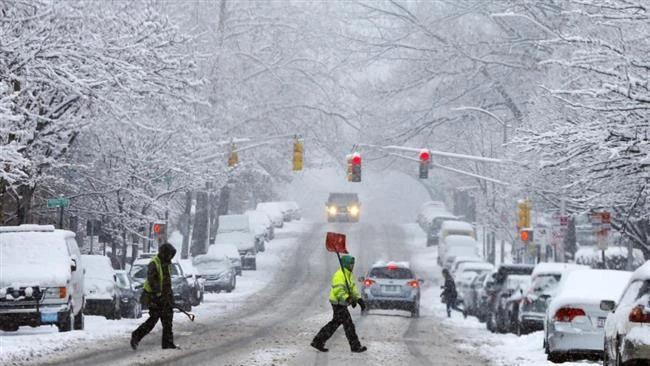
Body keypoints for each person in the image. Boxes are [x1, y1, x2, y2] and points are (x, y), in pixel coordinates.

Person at [311, 254, 367, 353]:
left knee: (335, 323)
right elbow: (338, 290)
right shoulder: (339, 275)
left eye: (353, 264)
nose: (352, 266)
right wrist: (348, 298)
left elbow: (353, 288)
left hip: (342, 303)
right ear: (345, 264)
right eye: (350, 264)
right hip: (337, 302)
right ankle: (355, 346)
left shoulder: (348, 275)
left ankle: (318, 341)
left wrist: (359, 300)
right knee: (348, 324)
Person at [131, 243, 178, 350]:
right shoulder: (154, 263)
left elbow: (167, 282)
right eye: (169, 254)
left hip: (165, 297)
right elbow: (152, 281)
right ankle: (136, 335)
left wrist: (170, 297)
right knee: (153, 319)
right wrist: (159, 294)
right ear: (164, 253)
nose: (170, 257)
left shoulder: (167, 264)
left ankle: (168, 342)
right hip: (153, 297)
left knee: (168, 320)